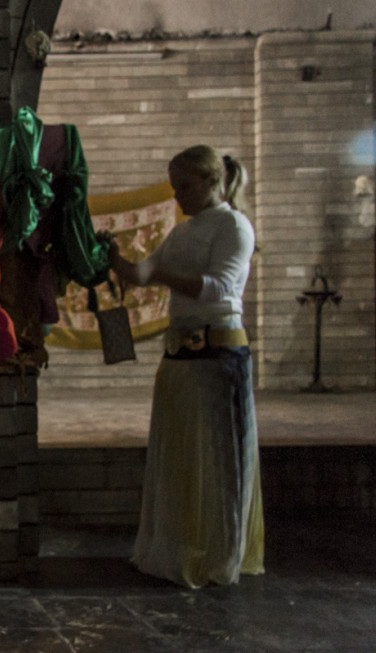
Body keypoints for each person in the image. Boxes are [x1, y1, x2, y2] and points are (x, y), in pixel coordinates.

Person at [108, 144, 265, 588]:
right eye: (175, 188)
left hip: (219, 356)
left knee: (219, 460)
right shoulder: (182, 232)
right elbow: (140, 274)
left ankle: (220, 553)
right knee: (181, 454)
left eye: (186, 186)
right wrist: (109, 257)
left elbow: (220, 288)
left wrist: (159, 277)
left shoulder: (235, 225)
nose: (178, 196)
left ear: (214, 181)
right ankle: (178, 546)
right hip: (181, 357)